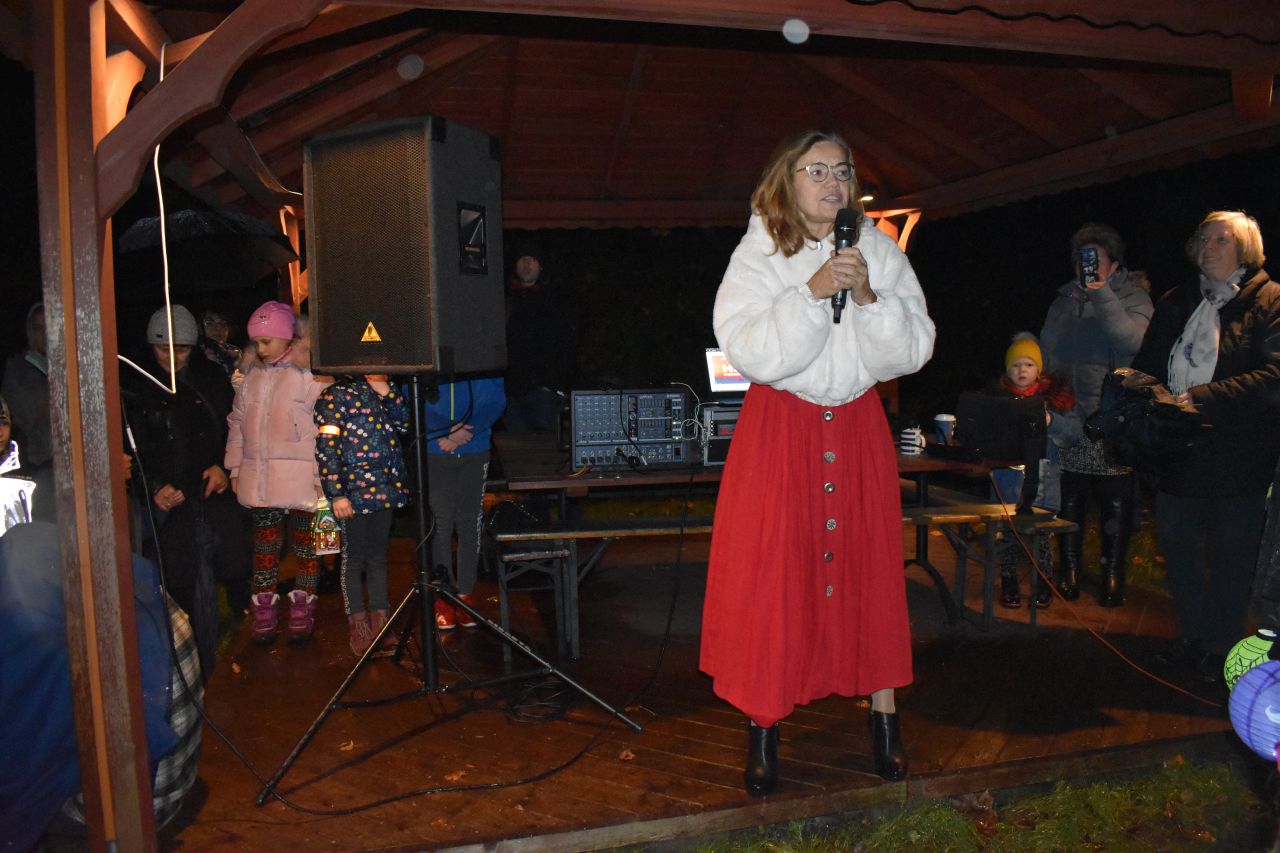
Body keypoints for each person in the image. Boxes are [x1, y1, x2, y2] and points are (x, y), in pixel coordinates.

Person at [700, 129, 935, 795]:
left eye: (843, 171)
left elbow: (913, 349)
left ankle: (885, 720)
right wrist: (811, 291)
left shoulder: (878, 249)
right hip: (782, 430)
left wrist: (867, 299)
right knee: (775, 576)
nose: (834, 183)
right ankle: (763, 727)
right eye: (818, 171)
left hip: (857, 427)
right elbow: (750, 350)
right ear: (788, 179)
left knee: (870, 570)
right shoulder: (760, 250)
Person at [1132, 210, 1280, 680]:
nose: (1208, 247)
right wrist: (1142, 396)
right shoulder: (1178, 301)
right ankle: (1192, 639)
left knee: (1231, 560)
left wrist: (1202, 397)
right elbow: (1148, 364)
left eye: (1221, 240)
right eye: (1204, 238)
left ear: (1245, 250)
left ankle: (1221, 651)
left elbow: (1275, 377)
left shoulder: (1270, 300)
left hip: (1238, 456)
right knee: (1179, 552)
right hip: (1180, 451)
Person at [0, 521, 201, 848]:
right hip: (174, 770)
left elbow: (23, 744)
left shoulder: (24, 613)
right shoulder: (109, 581)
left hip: (138, 804)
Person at [122, 305, 251, 677]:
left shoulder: (209, 377)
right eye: (163, 349)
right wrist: (153, 486)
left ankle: (241, 627)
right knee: (177, 577)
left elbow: (232, 427)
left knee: (230, 560)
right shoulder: (136, 385)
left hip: (209, 490)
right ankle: (187, 655)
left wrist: (222, 466)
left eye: (180, 349)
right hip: (169, 499)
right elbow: (130, 446)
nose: (172, 357)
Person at [1039, 223, 1153, 606]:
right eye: (1080, 259)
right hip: (1070, 415)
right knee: (1069, 498)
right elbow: (1047, 352)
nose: (1085, 266)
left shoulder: (1134, 296)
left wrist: (1101, 293)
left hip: (1115, 418)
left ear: (1115, 264)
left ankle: (1112, 575)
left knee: (1114, 503)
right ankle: (1069, 570)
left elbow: (1132, 342)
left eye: (1095, 259)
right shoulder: (1063, 301)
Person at [225, 301, 328, 645]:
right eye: (257, 342)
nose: (260, 348)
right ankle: (264, 609)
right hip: (262, 479)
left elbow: (324, 429)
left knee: (306, 546)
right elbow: (237, 423)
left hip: (302, 480)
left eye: (267, 341)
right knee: (265, 547)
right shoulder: (252, 377)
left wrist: (321, 477)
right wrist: (235, 466)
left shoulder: (310, 376)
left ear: (288, 338)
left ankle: (303, 606)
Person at [314, 374, 411, 656]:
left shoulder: (383, 391)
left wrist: (387, 392)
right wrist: (337, 493)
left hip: (384, 489)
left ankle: (381, 622)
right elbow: (327, 446)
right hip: (352, 495)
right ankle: (358, 623)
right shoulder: (334, 396)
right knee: (354, 558)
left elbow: (405, 424)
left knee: (378, 556)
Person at [982, 333, 1078, 608]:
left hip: (1044, 483)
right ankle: (1009, 581)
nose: (1022, 370)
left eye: (1028, 364)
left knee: (1042, 537)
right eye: (1015, 365)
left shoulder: (1055, 401)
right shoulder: (998, 400)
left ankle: (1043, 582)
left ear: (1039, 369)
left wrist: (1052, 422)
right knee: (1008, 535)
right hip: (1007, 482)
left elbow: (1074, 434)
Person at [424, 377, 506, 630]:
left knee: (470, 523)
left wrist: (466, 432)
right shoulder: (430, 359)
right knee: (441, 524)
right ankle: (444, 596)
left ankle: (465, 594)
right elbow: (412, 397)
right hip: (435, 450)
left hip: (474, 448)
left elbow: (495, 401)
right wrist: (443, 430)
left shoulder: (481, 359)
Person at [503, 238, 575, 433]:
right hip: (511, 393)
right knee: (516, 447)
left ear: (540, 266)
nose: (527, 264)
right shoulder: (505, 298)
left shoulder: (555, 299)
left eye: (532, 259)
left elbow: (566, 345)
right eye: (523, 259)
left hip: (543, 394)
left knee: (543, 446)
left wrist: (553, 385)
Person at [1, 301, 55, 522]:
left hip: (72, 465)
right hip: (35, 464)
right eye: (38, 328)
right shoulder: (17, 367)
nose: (44, 335)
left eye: (48, 328)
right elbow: (16, 418)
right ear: (30, 331)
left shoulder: (74, 362)